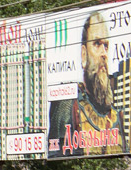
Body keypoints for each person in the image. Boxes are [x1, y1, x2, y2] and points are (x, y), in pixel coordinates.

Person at [48, 10, 128, 157]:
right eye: (97, 44)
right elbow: (56, 152)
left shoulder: (117, 115)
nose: (104, 53)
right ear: (83, 54)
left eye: (106, 46)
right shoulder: (67, 105)